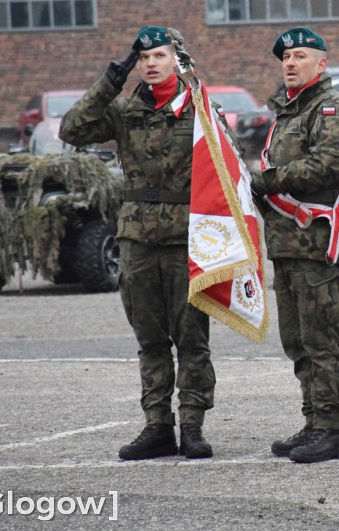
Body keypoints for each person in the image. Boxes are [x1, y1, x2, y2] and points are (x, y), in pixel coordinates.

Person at [59, 25, 216, 460]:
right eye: (143, 58)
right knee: (150, 338)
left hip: (187, 238)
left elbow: (228, 171)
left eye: (159, 56)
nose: (150, 63)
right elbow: (73, 129)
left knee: (191, 338)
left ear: (176, 61)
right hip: (138, 239)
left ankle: (192, 426)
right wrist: (112, 78)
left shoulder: (201, 110)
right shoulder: (124, 110)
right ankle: (157, 426)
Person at [250, 27, 339, 464]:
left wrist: (264, 181)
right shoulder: (288, 113)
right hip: (287, 243)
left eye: (299, 56)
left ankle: (332, 430)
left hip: (317, 243)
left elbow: (326, 165)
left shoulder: (329, 108)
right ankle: (314, 421)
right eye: (286, 57)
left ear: (321, 63)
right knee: (296, 339)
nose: (290, 63)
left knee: (321, 339)